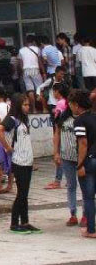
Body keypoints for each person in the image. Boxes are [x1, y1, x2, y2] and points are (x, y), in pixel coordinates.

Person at [0, 94, 39, 233]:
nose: (27, 107)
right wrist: (7, 147)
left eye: (28, 105)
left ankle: (25, 221)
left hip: (27, 160)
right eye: (24, 105)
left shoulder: (23, 120)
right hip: (18, 160)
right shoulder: (12, 119)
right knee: (21, 193)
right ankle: (14, 223)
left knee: (24, 193)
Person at [69, 89, 96, 238]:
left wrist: (79, 165)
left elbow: (83, 143)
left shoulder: (79, 120)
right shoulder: (94, 117)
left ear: (77, 105)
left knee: (89, 197)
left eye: (71, 104)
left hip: (89, 161)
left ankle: (91, 229)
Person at [55, 85, 81, 225]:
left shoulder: (83, 118)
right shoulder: (63, 117)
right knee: (71, 185)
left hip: (82, 156)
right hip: (67, 155)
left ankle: (87, 213)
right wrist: (56, 152)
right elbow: (57, 134)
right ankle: (73, 213)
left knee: (86, 185)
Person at [19, 35, 45, 113]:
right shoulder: (37, 49)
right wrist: (43, 72)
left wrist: (22, 73)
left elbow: (21, 64)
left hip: (26, 70)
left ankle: (33, 109)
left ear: (26, 42)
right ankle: (44, 108)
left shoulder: (21, 50)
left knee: (30, 90)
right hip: (35, 70)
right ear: (33, 42)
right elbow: (40, 62)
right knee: (39, 89)